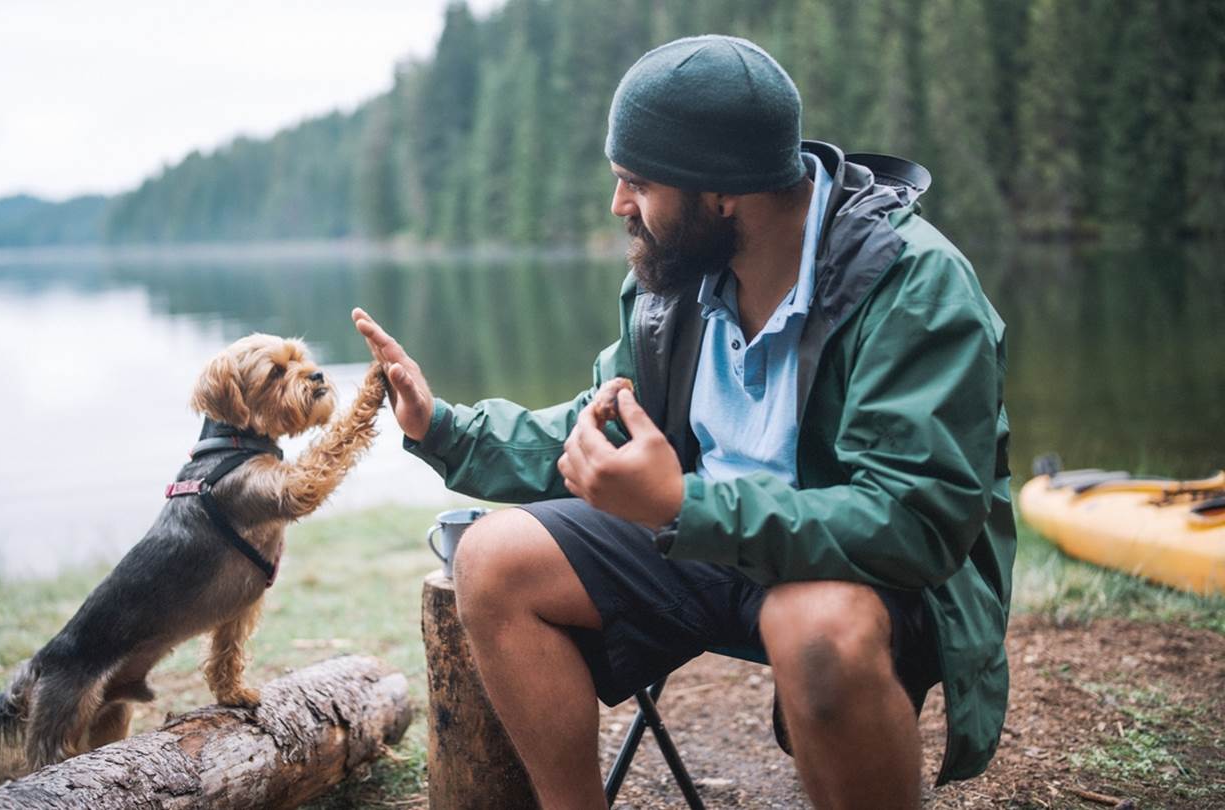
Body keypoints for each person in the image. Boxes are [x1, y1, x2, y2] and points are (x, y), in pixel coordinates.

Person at [354, 34, 1012, 810]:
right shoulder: (675, 279)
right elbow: (598, 424)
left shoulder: (913, 286)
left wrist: (682, 506)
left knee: (815, 626)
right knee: (493, 560)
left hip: (865, 574)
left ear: (723, 191)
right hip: (703, 541)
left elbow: (915, 523)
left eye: (637, 183)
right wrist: (445, 429)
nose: (618, 206)